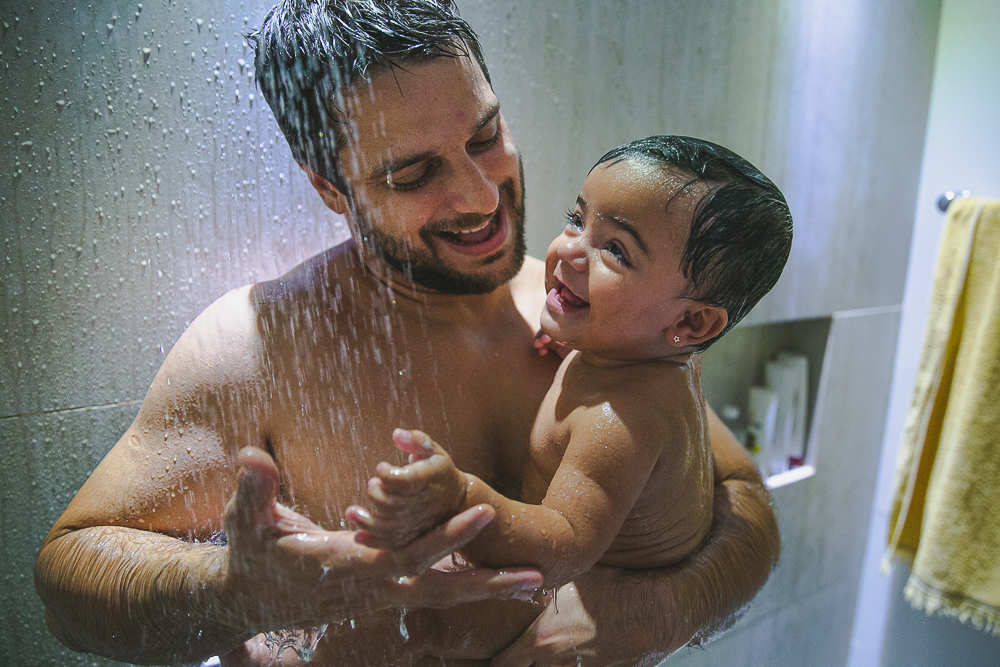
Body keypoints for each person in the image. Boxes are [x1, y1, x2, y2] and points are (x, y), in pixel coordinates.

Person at [33, 2, 781, 666]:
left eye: (485, 135)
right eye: (413, 174)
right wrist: (237, 590)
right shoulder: (263, 347)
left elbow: (741, 497)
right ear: (330, 186)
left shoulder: (603, 330)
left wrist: (658, 611)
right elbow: (67, 578)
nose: (480, 197)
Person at [344, 136, 791, 650]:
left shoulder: (618, 417)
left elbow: (564, 542)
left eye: (615, 251)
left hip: (559, 610)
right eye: (577, 220)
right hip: (563, 596)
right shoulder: (640, 352)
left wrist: (461, 501)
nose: (570, 250)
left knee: (423, 629)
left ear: (691, 323)